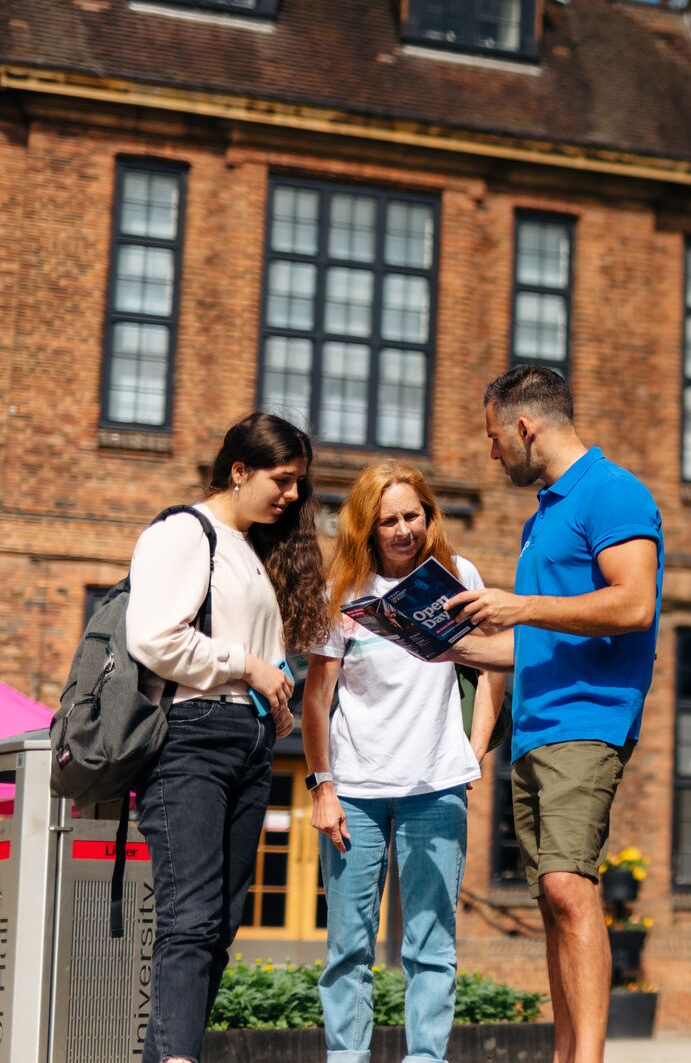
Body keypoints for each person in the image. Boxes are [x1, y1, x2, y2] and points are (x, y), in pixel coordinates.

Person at [443, 366, 661, 1063]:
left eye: (493, 438)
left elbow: (633, 604)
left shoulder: (613, 492)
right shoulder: (543, 519)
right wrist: (443, 645)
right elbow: (528, 640)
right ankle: (566, 1052)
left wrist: (521, 605)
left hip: (587, 718)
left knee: (569, 885)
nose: (491, 453)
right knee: (552, 897)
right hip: (535, 729)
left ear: (524, 427)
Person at [126, 413, 330, 1063]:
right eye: (283, 479)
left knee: (220, 925)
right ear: (239, 470)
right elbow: (155, 637)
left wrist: (275, 699)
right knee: (190, 918)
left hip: (247, 742)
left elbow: (261, 659)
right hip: (192, 738)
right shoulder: (184, 533)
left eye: (299, 483)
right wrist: (248, 665)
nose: (293, 496)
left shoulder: (249, 550)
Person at [303, 461, 506, 1063]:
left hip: (435, 787)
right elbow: (317, 698)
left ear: (429, 516)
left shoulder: (457, 576)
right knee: (348, 947)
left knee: (430, 943)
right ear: (366, 526)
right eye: (387, 520)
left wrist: (472, 749)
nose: (401, 530)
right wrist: (322, 786)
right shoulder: (341, 591)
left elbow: (495, 663)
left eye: (411, 516)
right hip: (355, 790)